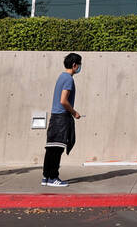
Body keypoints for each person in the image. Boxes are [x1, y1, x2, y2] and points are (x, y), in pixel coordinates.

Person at [42, 53, 82, 187]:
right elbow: (63, 100)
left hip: (55, 116)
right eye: (79, 64)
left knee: (51, 148)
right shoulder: (68, 79)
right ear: (74, 65)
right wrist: (74, 112)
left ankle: (46, 177)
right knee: (57, 148)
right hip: (61, 117)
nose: (80, 67)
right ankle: (53, 177)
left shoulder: (61, 77)